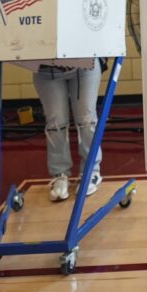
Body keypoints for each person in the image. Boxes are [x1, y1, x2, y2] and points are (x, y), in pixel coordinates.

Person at [34, 58, 105, 202]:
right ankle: (60, 174)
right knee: (55, 124)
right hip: (46, 69)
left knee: (87, 120)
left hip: (85, 66)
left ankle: (91, 171)